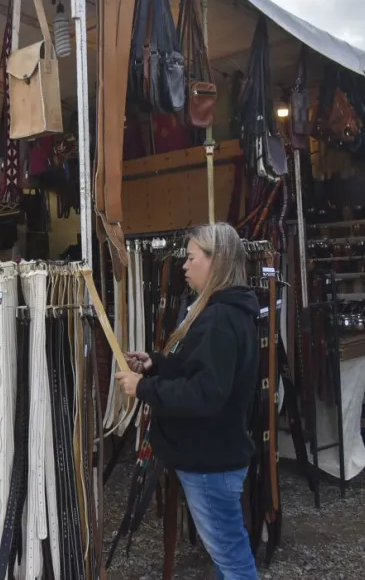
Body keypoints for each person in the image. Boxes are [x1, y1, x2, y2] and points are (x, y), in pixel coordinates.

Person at [115, 223, 259, 580]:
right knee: (227, 551)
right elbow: (201, 373)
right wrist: (156, 365)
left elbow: (204, 394)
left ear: (216, 261)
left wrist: (144, 389)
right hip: (213, 456)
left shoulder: (219, 320)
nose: (184, 265)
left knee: (231, 556)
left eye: (192, 257)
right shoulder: (221, 313)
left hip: (210, 461)